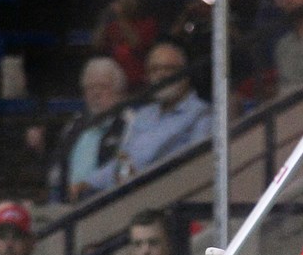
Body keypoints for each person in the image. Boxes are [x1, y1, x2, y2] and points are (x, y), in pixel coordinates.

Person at [77, 39, 211, 195]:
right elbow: (122, 160)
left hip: (165, 196)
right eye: (154, 69)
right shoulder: (143, 115)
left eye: (169, 68)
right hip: (126, 195)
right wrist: (88, 182)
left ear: (185, 74)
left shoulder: (202, 114)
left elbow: (196, 167)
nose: (161, 75)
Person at [25, 56, 130, 203]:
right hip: (67, 203)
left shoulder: (129, 124)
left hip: (108, 204)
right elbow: (57, 167)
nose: (96, 93)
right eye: (90, 88)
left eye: (103, 86)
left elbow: (126, 168)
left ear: (119, 92)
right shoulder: (74, 125)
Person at [90, 0, 159, 91]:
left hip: (140, 84)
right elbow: (97, 46)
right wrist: (104, 19)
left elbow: (136, 44)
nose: (125, 0)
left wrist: (121, 17)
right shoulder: (113, 23)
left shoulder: (149, 23)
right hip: (115, 83)